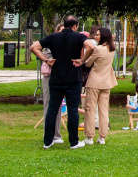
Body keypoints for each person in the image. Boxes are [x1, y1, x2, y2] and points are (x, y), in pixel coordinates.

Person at [30, 15, 92, 149]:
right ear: (75, 26)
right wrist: (81, 61)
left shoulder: (53, 37)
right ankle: (74, 141)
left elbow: (33, 47)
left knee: (52, 109)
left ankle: (48, 141)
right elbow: (91, 47)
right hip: (73, 78)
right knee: (72, 110)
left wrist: (46, 59)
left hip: (56, 78)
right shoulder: (78, 37)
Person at [81, 27, 118, 145]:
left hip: (94, 82)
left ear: (103, 36)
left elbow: (88, 63)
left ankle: (90, 136)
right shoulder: (112, 49)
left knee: (90, 109)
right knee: (103, 110)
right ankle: (102, 136)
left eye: (97, 35)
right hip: (107, 82)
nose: (95, 36)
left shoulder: (98, 49)